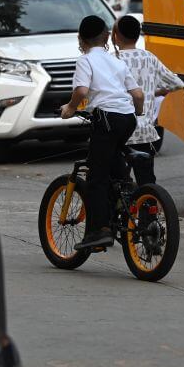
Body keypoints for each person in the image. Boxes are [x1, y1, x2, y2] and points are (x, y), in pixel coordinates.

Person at [61, 15, 144, 251]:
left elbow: (82, 89)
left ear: (81, 38)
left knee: (96, 177)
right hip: (127, 119)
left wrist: (70, 108)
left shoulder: (85, 60)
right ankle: (124, 197)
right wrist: (138, 113)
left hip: (106, 118)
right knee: (113, 160)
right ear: (107, 37)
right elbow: (138, 95)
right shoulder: (117, 61)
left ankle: (100, 231)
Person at [113, 15, 184, 185]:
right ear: (138, 36)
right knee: (146, 181)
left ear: (116, 35)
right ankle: (148, 209)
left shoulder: (112, 59)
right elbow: (177, 83)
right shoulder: (149, 57)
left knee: (117, 180)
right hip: (144, 132)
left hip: (120, 131)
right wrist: (155, 91)